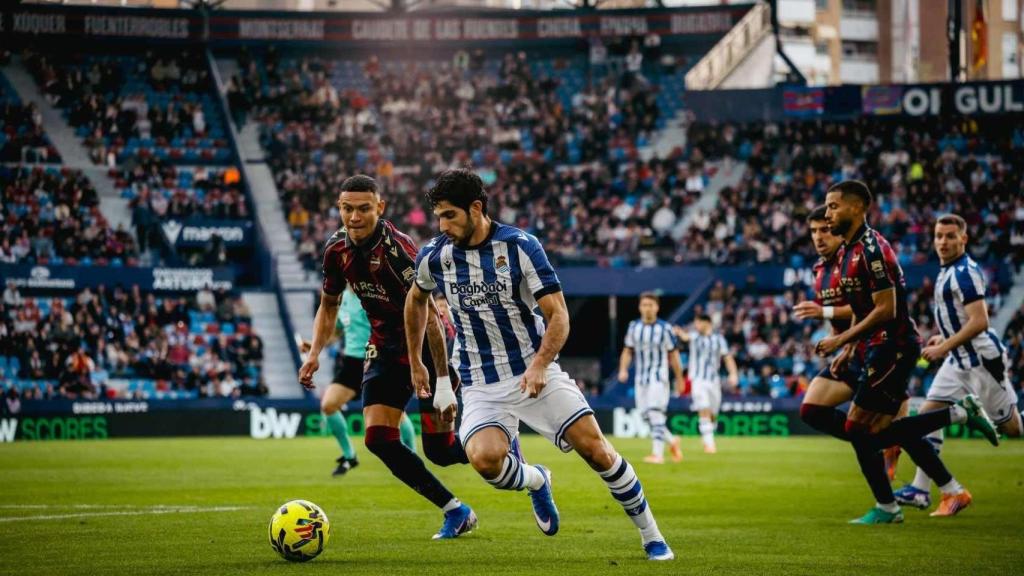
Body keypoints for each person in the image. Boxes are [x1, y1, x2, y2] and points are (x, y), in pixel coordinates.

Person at [405, 169, 674, 561]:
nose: (442, 226)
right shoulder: (435, 255)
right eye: (439, 217)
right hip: (480, 381)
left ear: (476, 208)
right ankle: (536, 479)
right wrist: (424, 366)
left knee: (597, 452)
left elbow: (558, 315)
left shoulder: (520, 247)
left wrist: (540, 364)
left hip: (533, 371)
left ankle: (652, 536)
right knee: (484, 461)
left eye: (450, 215)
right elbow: (416, 300)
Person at [298, 175, 476, 540]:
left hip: (427, 343)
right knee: (378, 438)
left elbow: (428, 314)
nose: (354, 217)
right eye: (347, 208)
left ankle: (498, 447)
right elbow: (328, 305)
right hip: (384, 345)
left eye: (364, 208)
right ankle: (456, 511)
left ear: (380, 207)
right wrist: (315, 353)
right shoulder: (335, 250)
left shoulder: (399, 250)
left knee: (441, 452)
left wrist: (432, 371)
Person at [815, 181, 999, 524]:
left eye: (833, 206)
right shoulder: (849, 250)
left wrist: (841, 341)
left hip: (893, 347)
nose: (827, 214)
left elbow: (885, 309)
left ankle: (954, 420)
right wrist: (851, 345)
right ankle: (937, 483)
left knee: (858, 430)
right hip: (874, 347)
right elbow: (861, 306)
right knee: (872, 431)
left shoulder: (873, 250)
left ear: (857, 208)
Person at [892, 214, 1023, 512]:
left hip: (980, 362)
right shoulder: (946, 270)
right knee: (927, 416)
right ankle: (920, 490)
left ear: (964, 239)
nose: (943, 242)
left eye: (950, 236)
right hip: (957, 360)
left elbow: (980, 321)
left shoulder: (965, 272)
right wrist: (944, 338)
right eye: (939, 236)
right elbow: (962, 319)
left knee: (1013, 428)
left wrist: (944, 347)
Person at [794, 207, 902, 481]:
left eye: (824, 230)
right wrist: (841, 342)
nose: (818, 237)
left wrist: (826, 314)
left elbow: (867, 307)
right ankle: (881, 445)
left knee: (887, 427)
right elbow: (837, 316)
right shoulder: (819, 270)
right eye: (813, 231)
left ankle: (952, 420)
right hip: (852, 350)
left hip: (879, 347)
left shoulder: (854, 259)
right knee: (811, 411)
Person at [300, 285, 418, 477]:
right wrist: (314, 346)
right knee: (328, 405)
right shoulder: (343, 297)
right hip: (352, 363)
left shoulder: (372, 293)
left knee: (397, 415)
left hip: (376, 359)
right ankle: (350, 456)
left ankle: (412, 458)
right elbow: (337, 331)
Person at [617, 292, 684, 463]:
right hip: (641, 379)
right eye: (644, 305)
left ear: (657, 307)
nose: (647, 308)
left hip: (659, 377)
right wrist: (623, 369)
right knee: (645, 415)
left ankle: (657, 454)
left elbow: (674, 355)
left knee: (655, 412)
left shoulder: (665, 328)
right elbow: (627, 350)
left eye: (650, 305)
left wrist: (679, 378)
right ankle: (672, 441)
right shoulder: (634, 327)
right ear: (640, 307)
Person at [672, 314, 738, 454]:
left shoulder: (719, 339)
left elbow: (727, 357)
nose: (696, 326)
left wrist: (733, 374)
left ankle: (707, 434)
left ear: (707, 323)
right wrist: (678, 332)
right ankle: (709, 444)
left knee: (713, 414)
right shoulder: (694, 337)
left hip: (714, 381)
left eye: (698, 323)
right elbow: (685, 337)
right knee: (704, 408)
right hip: (698, 380)